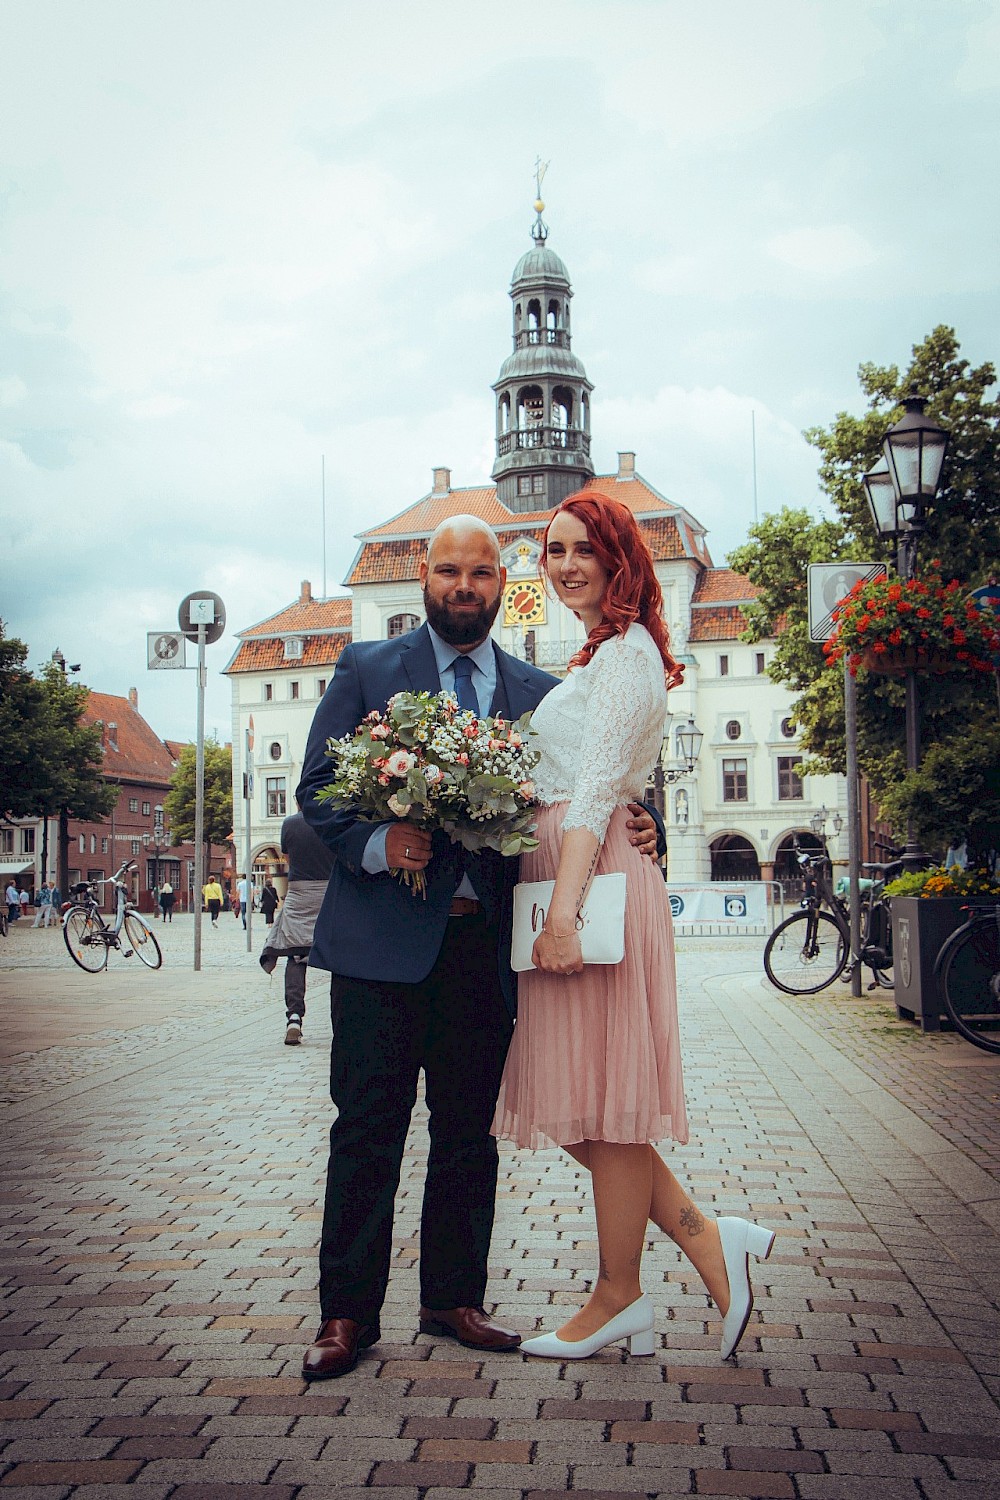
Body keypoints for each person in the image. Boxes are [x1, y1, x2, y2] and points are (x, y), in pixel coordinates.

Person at [295, 513, 665, 1381]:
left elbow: (593, 784)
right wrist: (380, 844)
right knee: (366, 1133)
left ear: (506, 583)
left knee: (468, 1135)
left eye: (483, 574)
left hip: (486, 950)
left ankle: (454, 1299)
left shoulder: (540, 689)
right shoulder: (368, 667)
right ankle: (346, 1314)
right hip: (381, 948)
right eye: (450, 572)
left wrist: (642, 824)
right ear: (426, 577)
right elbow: (318, 786)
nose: (465, 588)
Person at [492, 492, 775, 1363]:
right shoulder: (604, 654)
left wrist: (565, 914)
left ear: (621, 560)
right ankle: (699, 1237)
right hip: (581, 875)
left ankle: (619, 1294)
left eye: (583, 549)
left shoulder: (628, 656)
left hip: (593, 884)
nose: (566, 563)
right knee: (583, 1102)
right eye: (553, 550)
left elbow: (594, 793)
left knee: (603, 1106)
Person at [259, 808, 335, 1046]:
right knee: (341, 960)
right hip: (330, 894)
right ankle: (342, 1020)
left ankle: (294, 1017)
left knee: (296, 955)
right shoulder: (332, 819)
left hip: (299, 895)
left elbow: (289, 859)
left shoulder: (289, 824)